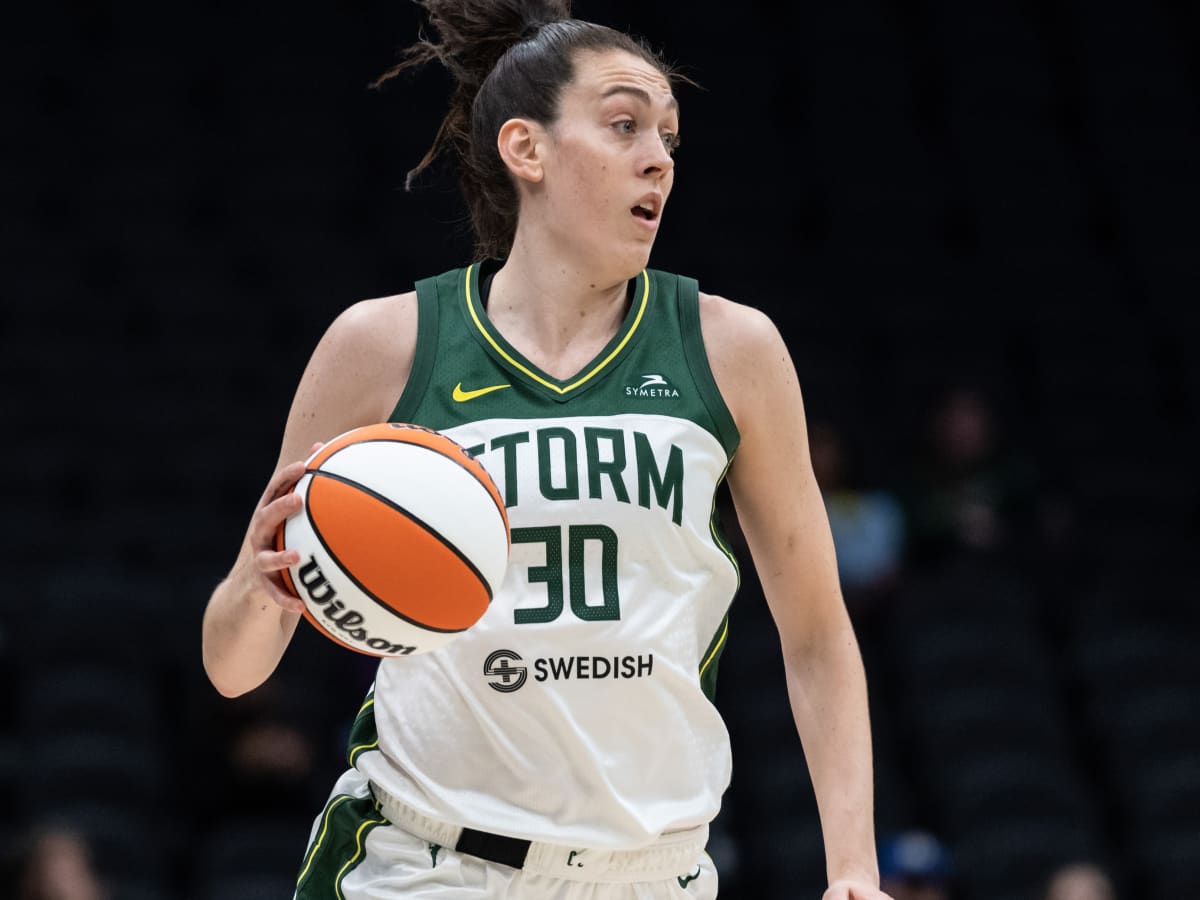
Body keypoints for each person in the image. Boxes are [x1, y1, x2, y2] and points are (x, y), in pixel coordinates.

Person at [201, 2, 892, 898]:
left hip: (652, 873)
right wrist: (259, 585)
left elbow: (816, 635)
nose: (659, 158)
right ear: (526, 150)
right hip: (424, 865)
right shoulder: (384, 346)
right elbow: (233, 666)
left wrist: (853, 869)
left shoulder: (732, 349)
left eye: (670, 139)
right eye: (623, 125)